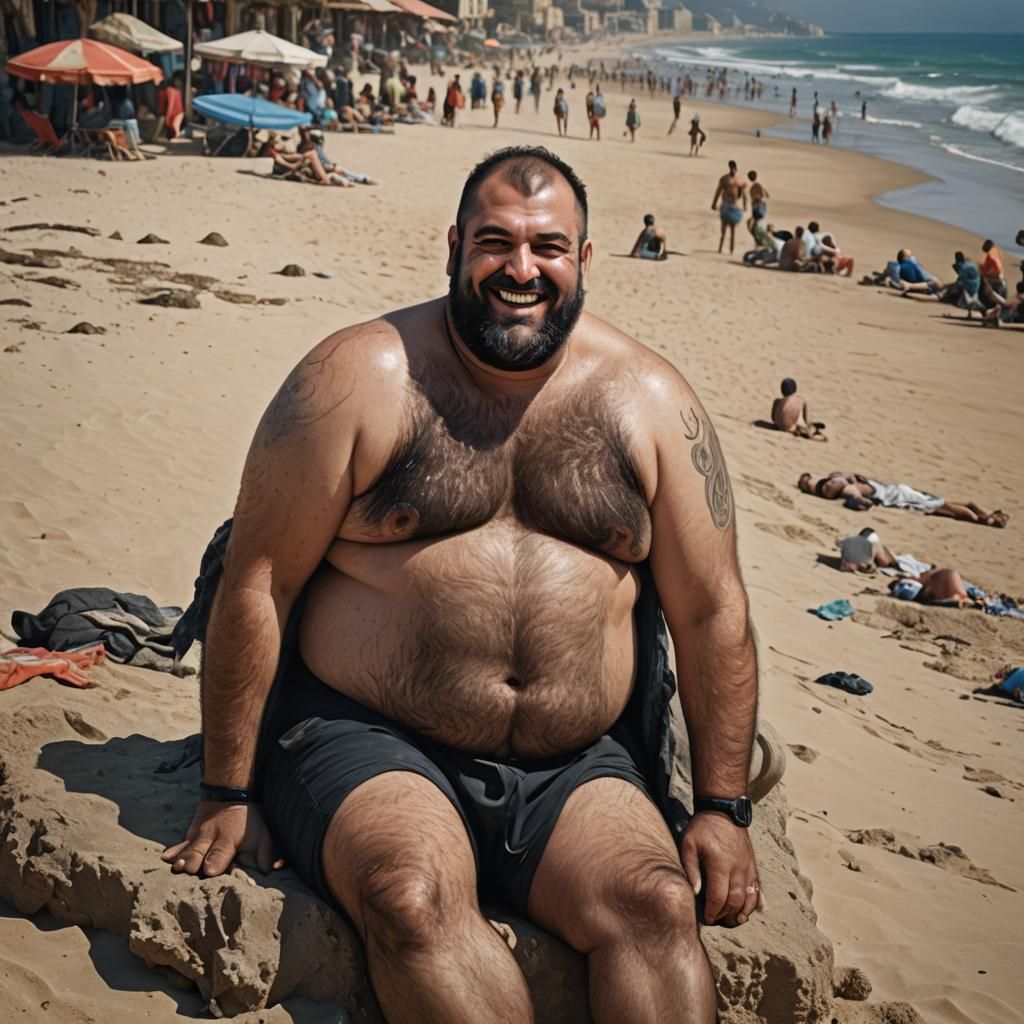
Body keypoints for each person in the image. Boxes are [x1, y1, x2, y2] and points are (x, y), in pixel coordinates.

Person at [163, 146, 762, 1024]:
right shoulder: (359, 379)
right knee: (411, 898)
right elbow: (257, 582)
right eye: (496, 242)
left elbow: (714, 612)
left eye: (549, 247)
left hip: (576, 763)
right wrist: (228, 792)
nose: (521, 269)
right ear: (454, 246)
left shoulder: (650, 401)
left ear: (585, 260)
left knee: (658, 908)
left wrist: (722, 806)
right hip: (367, 737)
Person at [797, 472, 1008, 526]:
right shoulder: (846, 481)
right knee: (945, 504)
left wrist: (859, 503)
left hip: (901, 496)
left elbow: (862, 502)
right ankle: (982, 513)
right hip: (899, 491)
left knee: (943, 506)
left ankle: (983, 520)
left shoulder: (846, 487)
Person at [710, 160, 747, 255]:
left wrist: (745, 205)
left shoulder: (739, 180)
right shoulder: (725, 179)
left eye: (734, 169)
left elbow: (743, 194)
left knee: (733, 229)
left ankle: (731, 250)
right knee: (723, 228)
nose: (732, 171)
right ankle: (720, 248)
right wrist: (714, 203)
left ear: (736, 169)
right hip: (725, 204)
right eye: (731, 169)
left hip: (734, 206)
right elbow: (718, 191)